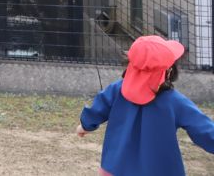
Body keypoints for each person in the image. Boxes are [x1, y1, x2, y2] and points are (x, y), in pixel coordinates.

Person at [77, 35, 214, 176]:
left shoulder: (116, 90)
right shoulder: (175, 102)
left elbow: (98, 108)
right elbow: (203, 129)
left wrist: (85, 126)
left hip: (115, 168)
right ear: (168, 71)